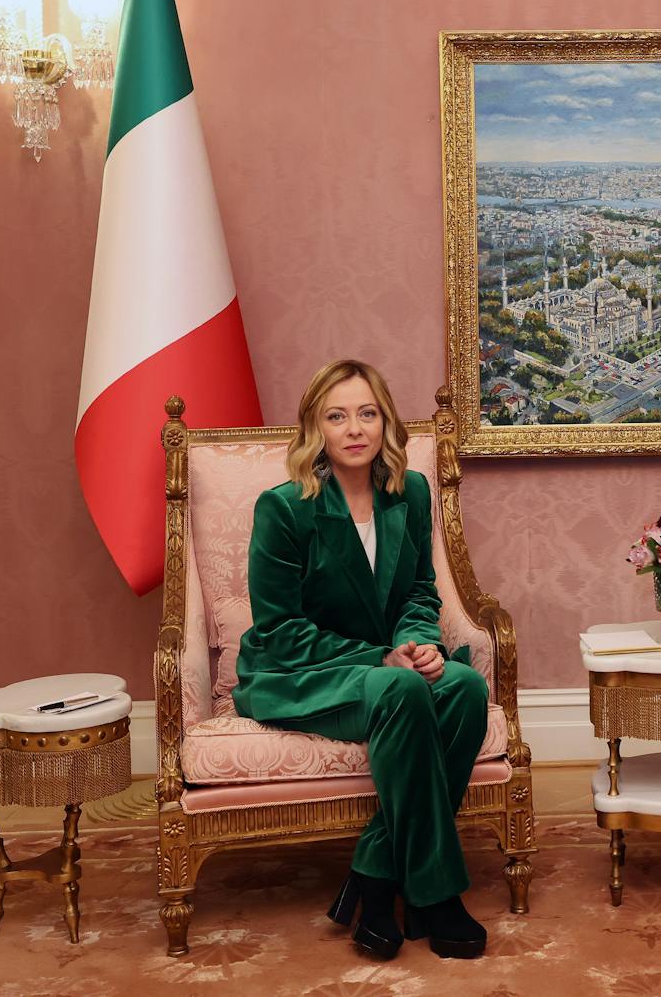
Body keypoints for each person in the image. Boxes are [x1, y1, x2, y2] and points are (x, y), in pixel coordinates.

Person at [233, 359, 488, 961]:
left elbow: (419, 591)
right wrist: (382, 658)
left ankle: (376, 872)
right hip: (300, 673)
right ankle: (436, 896)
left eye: (367, 413)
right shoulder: (284, 508)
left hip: (387, 668)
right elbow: (280, 630)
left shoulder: (411, 492)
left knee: (465, 688)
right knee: (402, 690)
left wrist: (420, 643)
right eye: (337, 416)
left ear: (386, 423)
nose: (354, 429)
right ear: (315, 428)